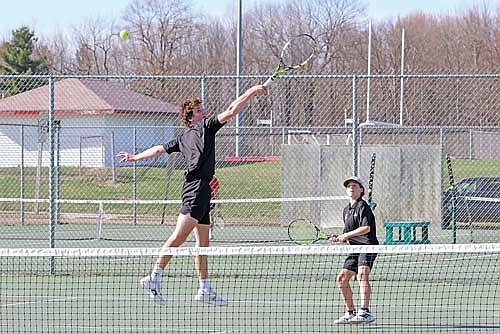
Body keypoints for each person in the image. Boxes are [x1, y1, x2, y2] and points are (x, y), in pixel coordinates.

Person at [118, 84, 267, 306]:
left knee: (202, 244)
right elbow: (233, 109)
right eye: (199, 110)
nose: (204, 111)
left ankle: (204, 288)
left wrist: (136, 157)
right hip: (195, 189)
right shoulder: (201, 128)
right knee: (179, 237)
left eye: (202, 109)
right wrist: (252, 92)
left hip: (205, 190)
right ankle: (153, 277)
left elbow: (159, 149)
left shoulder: (192, 133)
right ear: (190, 117)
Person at [329, 176, 378, 324]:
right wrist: (338, 237)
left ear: (361, 190)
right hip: (355, 248)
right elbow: (349, 231)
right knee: (342, 279)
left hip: (368, 245)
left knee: (362, 274)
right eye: (349, 185)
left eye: (355, 185)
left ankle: (365, 312)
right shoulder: (346, 210)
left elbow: (365, 228)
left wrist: (345, 236)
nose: (351, 187)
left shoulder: (363, 206)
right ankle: (350, 312)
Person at [208, 176, 220, 241]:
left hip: (211, 200)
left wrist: (218, 201)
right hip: (203, 200)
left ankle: (210, 233)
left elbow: (216, 192)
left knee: (210, 217)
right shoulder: (201, 176)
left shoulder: (214, 179)